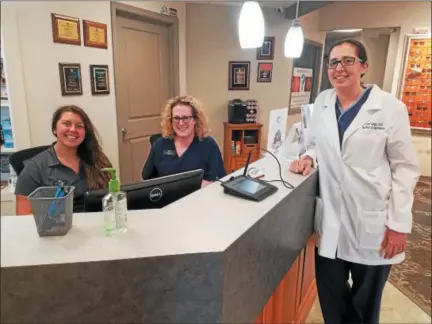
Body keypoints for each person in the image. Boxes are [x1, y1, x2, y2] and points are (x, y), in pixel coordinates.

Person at [289, 39, 420, 324]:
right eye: (333, 62)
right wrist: (309, 157)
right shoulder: (322, 102)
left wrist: (398, 225)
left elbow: (405, 168)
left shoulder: (389, 108)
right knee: (331, 301)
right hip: (331, 224)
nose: (339, 68)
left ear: (363, 66)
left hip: (373, 223)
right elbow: (315, 144)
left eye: (348, 61)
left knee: (364, 307)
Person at [15, 105, 112, 215]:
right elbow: (23, 217)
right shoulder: (34, 168)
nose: (73, 129)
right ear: (54, 129)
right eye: (66, 124)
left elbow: (111, 198)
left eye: (79, 126)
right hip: (56, 229)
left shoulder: (97, 159)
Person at [142, 95, 226, 187]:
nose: (181, 123)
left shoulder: (208, 145)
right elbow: (147, 177)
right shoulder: (160, 144)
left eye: (186, 118)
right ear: (170, 120)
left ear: (195, 120)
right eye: (176, 118)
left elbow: (218, 180)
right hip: (166, 199)